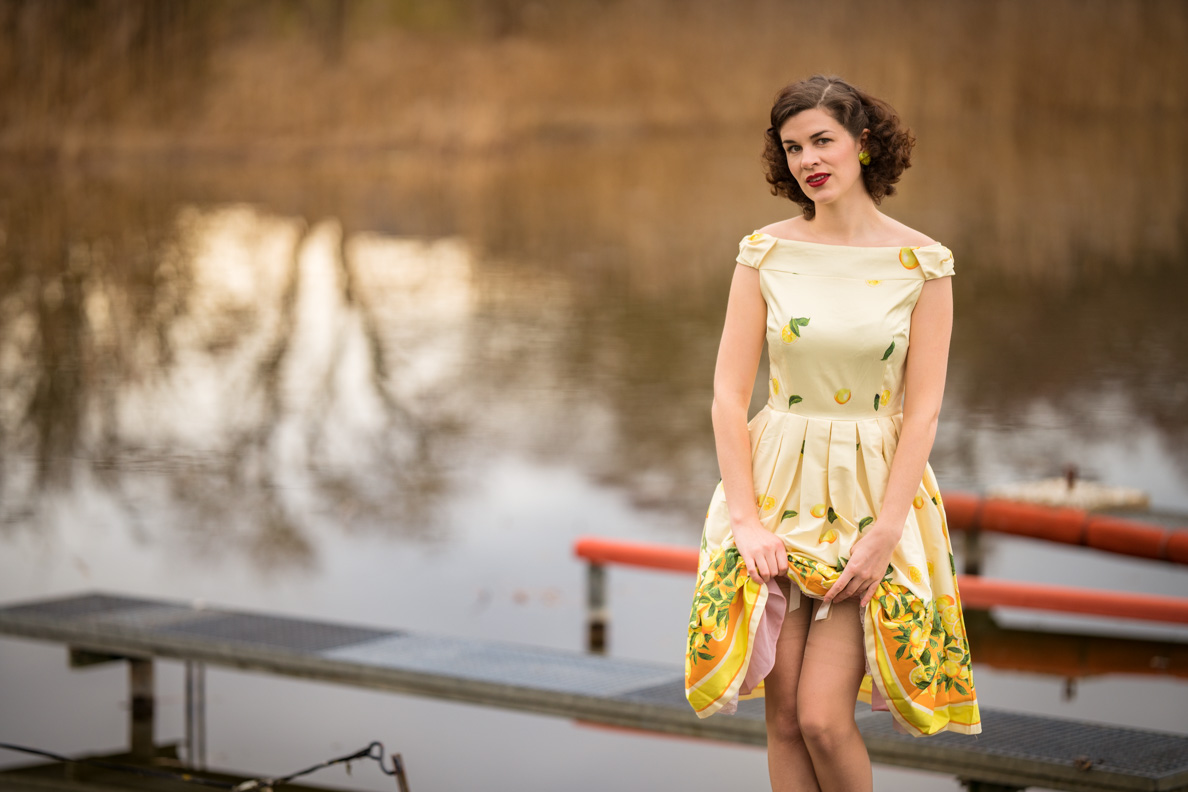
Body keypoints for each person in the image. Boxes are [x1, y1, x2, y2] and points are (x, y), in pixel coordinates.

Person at [684, 75, 982, 791]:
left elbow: (925, 410)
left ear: (864, 144)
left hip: (875, 495)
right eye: (793, 148)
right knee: (784, 720)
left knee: (823, 717)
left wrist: (885, 531)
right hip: (776, 490)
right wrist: (748, 522)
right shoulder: (764, 253)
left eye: (823, 140)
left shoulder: (922, 264)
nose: (809, 160)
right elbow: (728, 396)